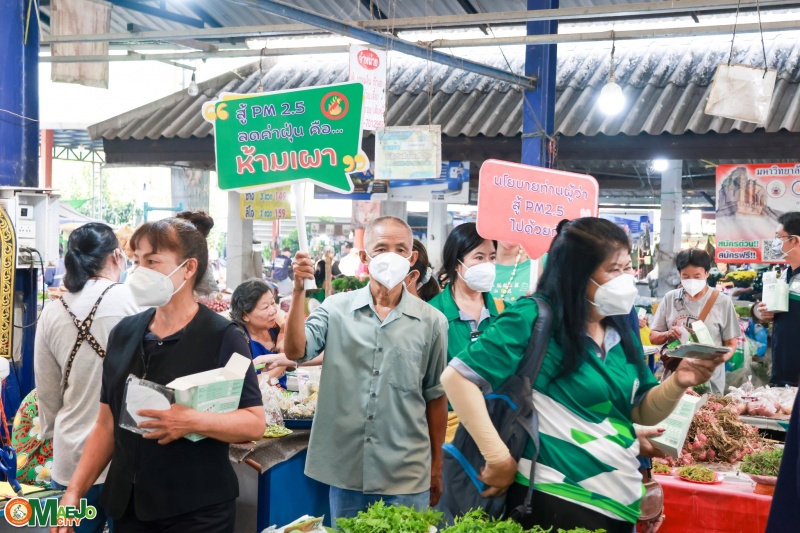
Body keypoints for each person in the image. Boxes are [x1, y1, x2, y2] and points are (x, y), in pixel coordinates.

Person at [441, 218, 727, 532]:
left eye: (627, 268)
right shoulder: (533, 317)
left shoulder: (619, 327)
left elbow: (640, 409)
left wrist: (679, 382)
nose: (625, 279)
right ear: (577, 273)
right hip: (554, 499)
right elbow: (457, 378)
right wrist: (497, 457)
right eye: (613, 270)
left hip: (620, 504)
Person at [55, 212, 265, 533]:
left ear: (188, 268)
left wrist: (193, 421)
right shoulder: (124, 333)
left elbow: (253, 422)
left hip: (197, 511)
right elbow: (106, 424)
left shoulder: (224, 336)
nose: (140, 271)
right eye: (137, 260)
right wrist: (74, 491)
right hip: (128, 508)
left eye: (152, 261)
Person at [285, 216, 448, 523]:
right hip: (348, 470)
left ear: (412, 258)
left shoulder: (432, 322)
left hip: (407, 472)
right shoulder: (335, 309)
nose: (391, 256)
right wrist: (297, 292)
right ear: (364, 256)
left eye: (401, 249)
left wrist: (437, 464)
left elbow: (435, 396)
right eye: (381, 248)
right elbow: (295, 351)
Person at [35, 223, 139, 533]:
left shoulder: (52, 311)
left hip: (71, 461)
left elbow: (47, 392)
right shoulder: (134, 300)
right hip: (128, 457)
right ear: (117, 256)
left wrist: (54, 431)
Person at [649, 248, 739, 394]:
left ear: (707, 273)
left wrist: (717, 361)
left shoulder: (723, 302)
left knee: (708, 408)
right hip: (674, 382)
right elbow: (653, 337)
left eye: (697, 276)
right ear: (679, 274)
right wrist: (667, 334)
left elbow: (731, 344)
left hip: (710, 382)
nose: (691, 281)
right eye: (685, 276)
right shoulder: (670, 298)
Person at [428, 223, 499, 363]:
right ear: (456, 263)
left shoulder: (503, 311)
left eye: (492, 257)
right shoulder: (432, 313)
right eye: (479, 257)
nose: (488, 265)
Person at [757, 212, 800, 386]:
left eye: (778, 237)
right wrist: (767, 313)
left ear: (794, 240)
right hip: (783, 366)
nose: (774, 242)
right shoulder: (785, 274)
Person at [230, 278, 284, 365]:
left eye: (272, 303)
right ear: (245, 316)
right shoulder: (239, 340)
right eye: (265, 307)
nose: (273, 311)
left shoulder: (275, 325)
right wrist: (283, 358)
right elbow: (251, 375)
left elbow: (295, 361)